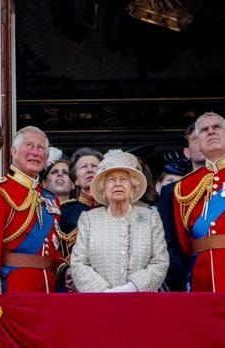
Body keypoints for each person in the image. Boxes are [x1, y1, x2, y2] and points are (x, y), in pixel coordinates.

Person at [0, 126, 65, 294]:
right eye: (29, 145)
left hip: (50, 291)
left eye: (41, 148)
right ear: (14, 152)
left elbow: (53, 248)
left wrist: (64, 270)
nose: (35, 152)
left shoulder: (51, 199)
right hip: (14, 289)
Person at [71, 149, 169, 292]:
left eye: (124, 179)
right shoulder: (89, 219)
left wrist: (132, 288)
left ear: (133, 187)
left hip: (141, 301)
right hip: (100, 303)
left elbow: (160, 261)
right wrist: (105, 292)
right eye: (111, 179)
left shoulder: (150, 217)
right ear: (103, 189)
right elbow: (78, 263)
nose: (118, 184)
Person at [173, 112, 225, 292]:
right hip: (202, 276)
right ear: (198, 144)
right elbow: (185, 242)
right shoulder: (184, 187)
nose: (210, 132)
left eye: (217, 127)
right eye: (204, 130)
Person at [158, 122, 204, 291]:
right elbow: (167, 241)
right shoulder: (172, 192)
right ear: (187, 151)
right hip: (186, 277)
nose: (203, 141)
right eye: (196, 140)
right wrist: (183, 276)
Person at [58, 147, 103, 291]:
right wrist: (66, 270)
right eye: (83, 167)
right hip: (74, 287)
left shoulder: (115, 209)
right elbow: (55, 251)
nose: (90, 170)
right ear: (75, 180)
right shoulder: (64, 211)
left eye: (95, 166)